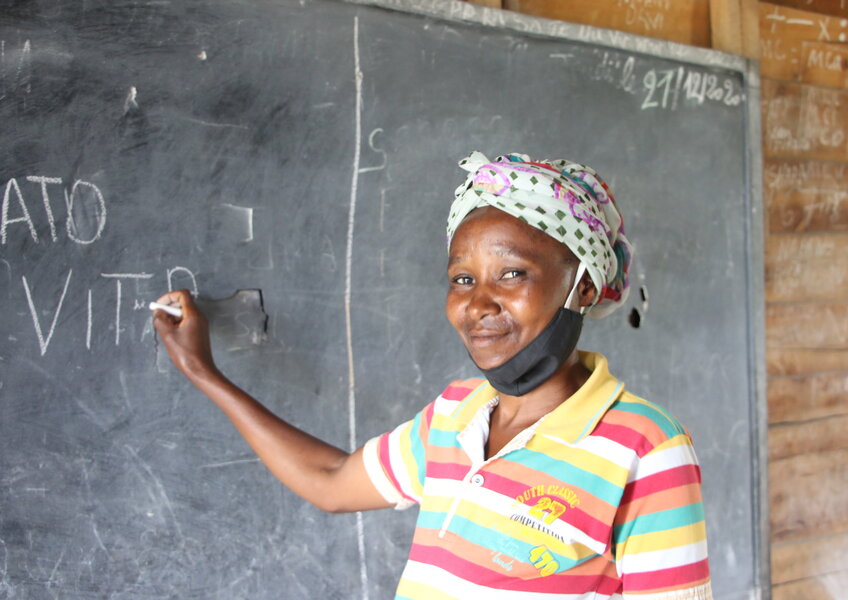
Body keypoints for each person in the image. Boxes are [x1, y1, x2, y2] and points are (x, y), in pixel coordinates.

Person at [153, 151, 712, 599]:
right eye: (463, 280)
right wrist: (204, 372)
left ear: (583, 286)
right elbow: (330, 480)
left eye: (512, 273)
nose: (478, 305)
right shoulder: (455, 415)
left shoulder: (645, 447)